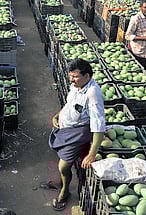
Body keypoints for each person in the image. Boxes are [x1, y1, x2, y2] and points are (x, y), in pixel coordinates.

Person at [48, 59, 105, 211]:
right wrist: (58, 115)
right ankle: (61, 182)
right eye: (70, 76)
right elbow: (69, 104)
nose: (72, 80)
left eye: (75, 77)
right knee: (61, 159)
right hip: (65, 129)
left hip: (77, 133)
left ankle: (65, 191)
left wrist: (92, 154)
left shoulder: (93, 94)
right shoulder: (76, 85)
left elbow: (99, 125)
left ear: (87, 76)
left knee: (63, 166)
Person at [125, 0, 146, 72]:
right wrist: (143, 38)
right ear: (140, 7)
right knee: (137, 71)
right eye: (145, 7)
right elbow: (128, 36)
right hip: (139, 53)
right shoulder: (136, 19)